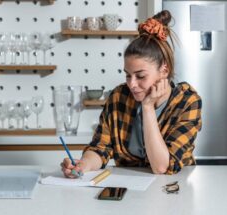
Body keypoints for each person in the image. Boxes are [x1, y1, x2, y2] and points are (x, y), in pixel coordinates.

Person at [61, 10, 202, 176]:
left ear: (164, 70)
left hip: (174, 188)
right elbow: (100, 148)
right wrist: (82, 165)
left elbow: (162, 167)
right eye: (128, 75)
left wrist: (148, 107)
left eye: (140, 76)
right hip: (129, 188)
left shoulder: (187, 101)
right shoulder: (118, 96)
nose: (132, 84)